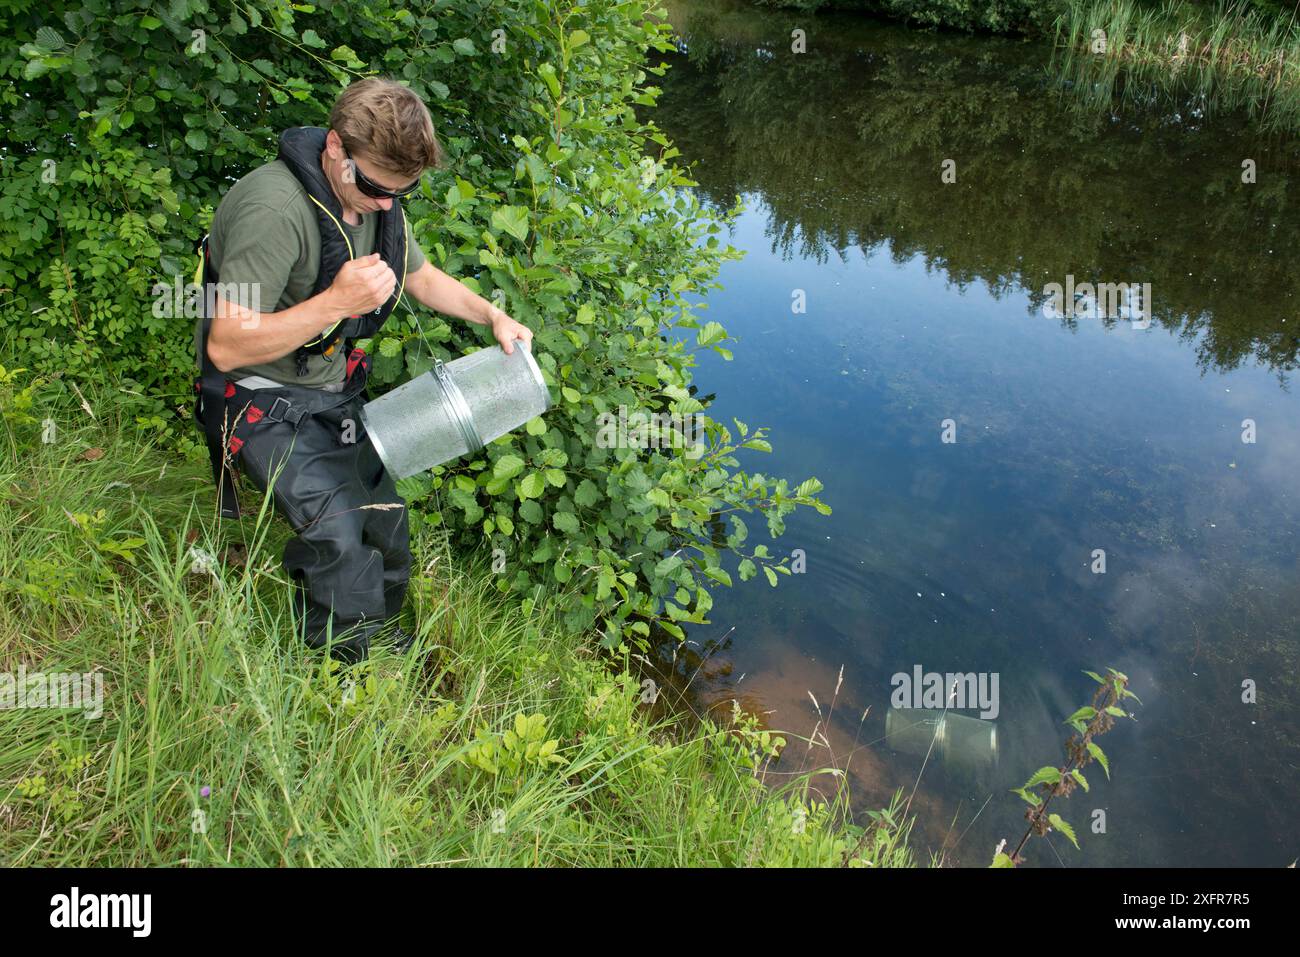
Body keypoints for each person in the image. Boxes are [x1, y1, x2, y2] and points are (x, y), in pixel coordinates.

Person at [193, 77, 532, 663]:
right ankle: (341, 675)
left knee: (387, 526)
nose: (385, 203)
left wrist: (493, 315)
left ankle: (377, 638)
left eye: (403, 191)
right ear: (333, 147)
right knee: (341, 539)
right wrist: (334, 304)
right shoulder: (272, 211)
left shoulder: (380, 202)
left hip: (330, 393)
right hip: (255, 395)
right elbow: (225, 345)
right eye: (375, 185)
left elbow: (421, 278)